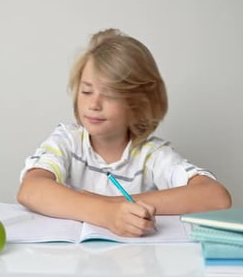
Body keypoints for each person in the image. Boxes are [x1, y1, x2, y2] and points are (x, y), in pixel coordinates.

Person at [17, 28, 231, 237]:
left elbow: (216, 197)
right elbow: (31, 189)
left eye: (109, 94)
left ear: (139, 103)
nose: (93, 104)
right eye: (86, 91)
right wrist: (106, 213)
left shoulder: (151, 155)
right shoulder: (68, 141)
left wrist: (114, 204)